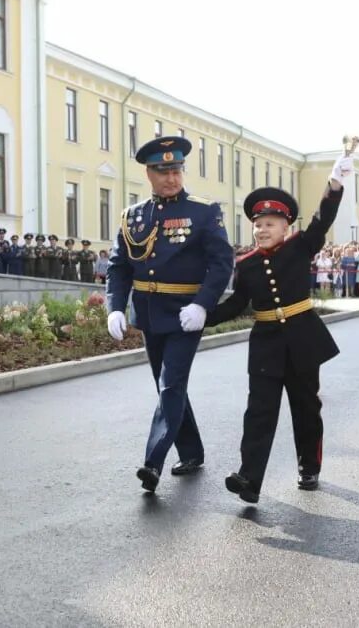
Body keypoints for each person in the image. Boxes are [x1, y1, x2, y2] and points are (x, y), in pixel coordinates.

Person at [204, 154, 349, 503]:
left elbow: (322, 219)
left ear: (286, 227)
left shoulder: (301, 246)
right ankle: (249, 479)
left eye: (270, 223)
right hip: (266, 344)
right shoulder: (246, 264)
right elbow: (237, 304)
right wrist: (201, 316)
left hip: (302, 339)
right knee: (259, 412)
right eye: (258, 224)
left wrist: (334, 186)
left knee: (305, 408)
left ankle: (309, 467)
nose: (262, 230)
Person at [106, 136, 233, 493]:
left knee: (171, 384)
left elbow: (222, 263)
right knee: (168, 388)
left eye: (176, 170)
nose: (171, 178)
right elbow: (119, 268)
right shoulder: (132, 216)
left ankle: (153, 463)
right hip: (149, 314)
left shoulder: (203, 211)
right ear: (148, 173)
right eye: (163, 172)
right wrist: (115, 307)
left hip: (185, 315)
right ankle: (192, 452)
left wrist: (202, 304)